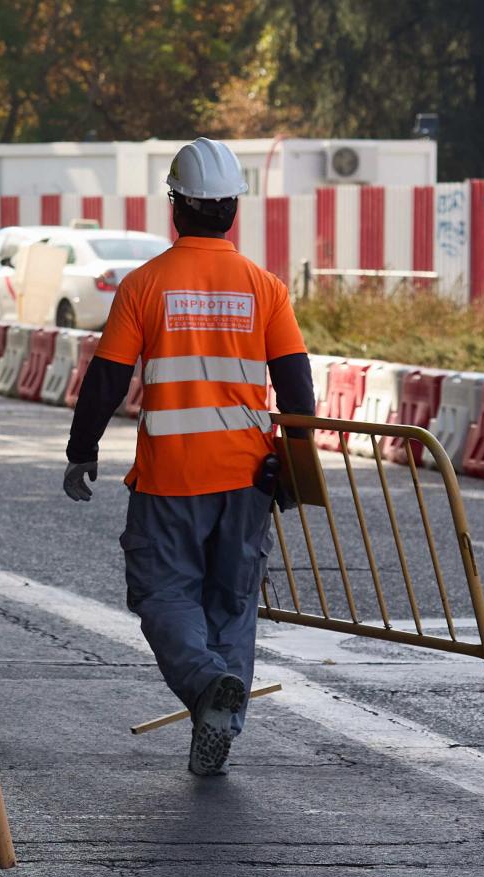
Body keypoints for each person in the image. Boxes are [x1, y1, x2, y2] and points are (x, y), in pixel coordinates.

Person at [63, 137, 316, 777]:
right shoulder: (266, 289)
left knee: (162, 593)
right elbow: (297, 388)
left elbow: (107, 379)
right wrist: (293, 465)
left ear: (175, 208)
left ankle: (206, 685)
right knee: (230, 604)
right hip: (248, 477)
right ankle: (221, 717)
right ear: (232, 210)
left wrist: (81, 449)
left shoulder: (145, 286)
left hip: (171, 480)